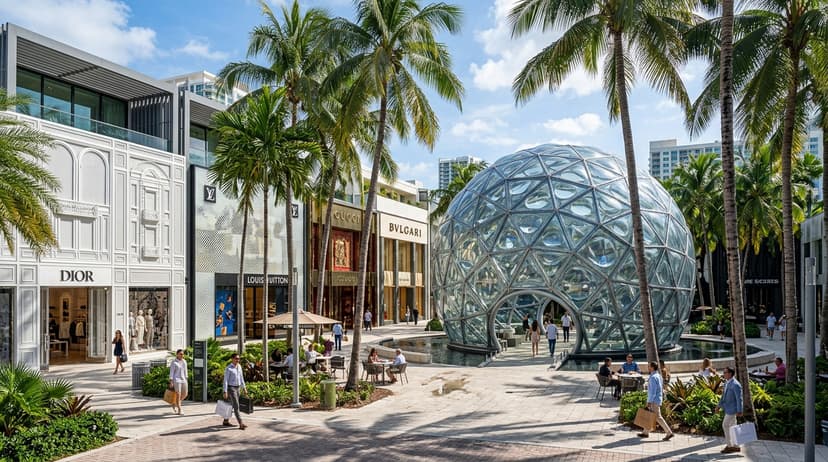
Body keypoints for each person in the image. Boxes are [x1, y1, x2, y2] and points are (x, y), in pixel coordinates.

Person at [637, 361, 674, 441]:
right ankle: (645, 432)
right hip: (657, 399)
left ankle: (669, 432)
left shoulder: (653, 377)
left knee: (658, 417)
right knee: (650, 415)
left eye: (649, 366)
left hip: (654, 400)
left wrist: (649, 402)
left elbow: (652, 392)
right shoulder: (658, 376)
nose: (648, 367)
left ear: (652, 367)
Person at [715, 366, 743, 453]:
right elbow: (723, 396)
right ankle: (736, 446)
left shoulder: (735, 384)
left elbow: (739, 399)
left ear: (730, 374)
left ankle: (729, 446)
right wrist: (718, 406)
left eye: (725, 372)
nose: (723, 374)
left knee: (725, 425)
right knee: (733, 427)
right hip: (728, 408)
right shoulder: (727, 383)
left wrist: (739, 410)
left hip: (732, 410)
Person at [222, 353, 248, 430]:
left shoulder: (239, 367)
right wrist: (225, 391)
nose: (238, 360)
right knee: (236, 406)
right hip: (231, 388)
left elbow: (241, 378)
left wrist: (244, 388)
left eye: (238, 359)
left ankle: (225, 421)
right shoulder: (228, 368)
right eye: (236, 358)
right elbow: (225, 381)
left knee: (231, 405)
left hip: (238, 388)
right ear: (232, 359)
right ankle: (241, 423)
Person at [169, 349, 188, 415]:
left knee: (185, 394)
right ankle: (180, 409)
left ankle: (175, 403)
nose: (182, 355)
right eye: (180, 354)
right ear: (177, 354)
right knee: (178, 394)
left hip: (184, 379)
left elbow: (186, 371)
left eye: (182, 354)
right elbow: (171, 372)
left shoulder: (184, 361)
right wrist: (171, 381)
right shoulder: (174, 362)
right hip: (176, 380)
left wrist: (186, 379)